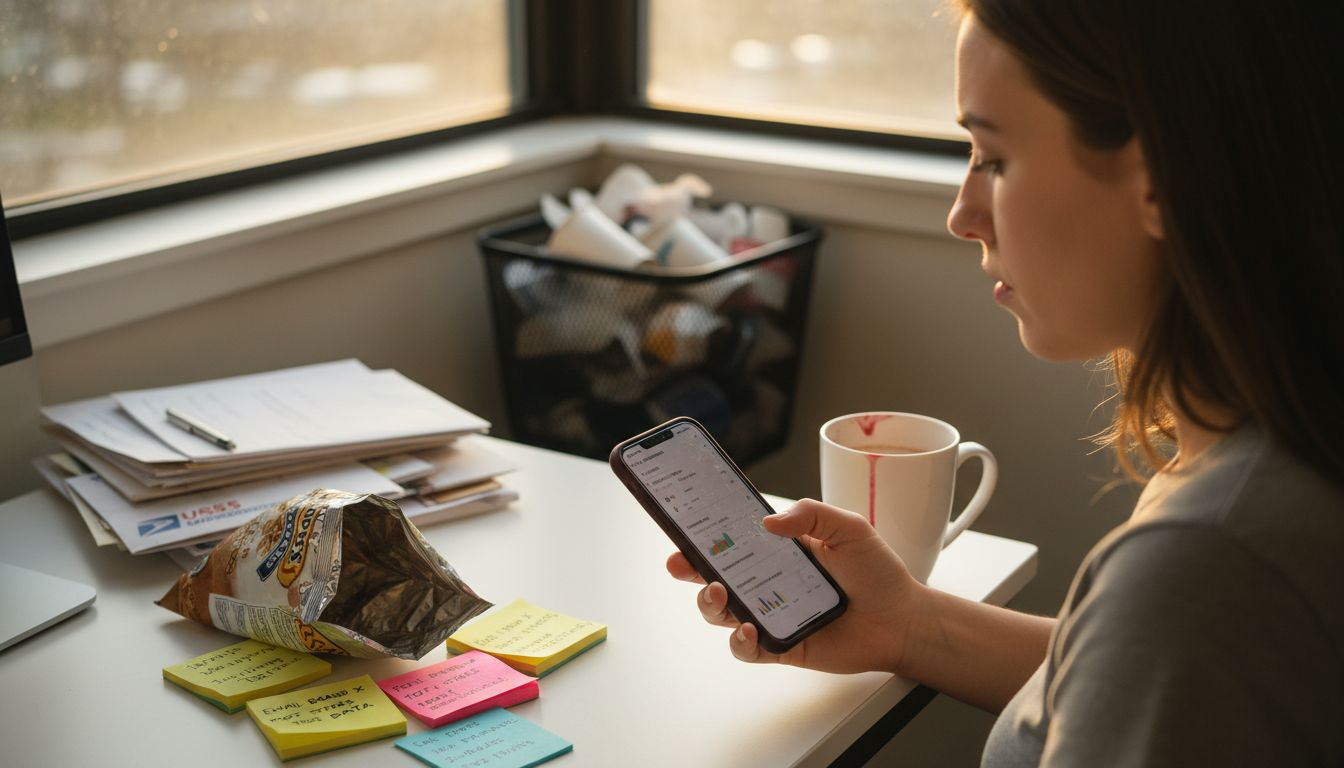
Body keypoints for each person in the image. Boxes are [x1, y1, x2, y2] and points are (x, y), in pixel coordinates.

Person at [666, 1, 1344, 764]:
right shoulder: (1271, 470)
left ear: (1162, 178)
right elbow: (1142, 680)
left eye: (991, 158)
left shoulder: (1207, 565)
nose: (963, 215)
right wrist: (911, 626)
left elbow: (1171, 641)